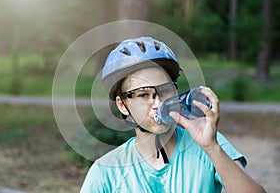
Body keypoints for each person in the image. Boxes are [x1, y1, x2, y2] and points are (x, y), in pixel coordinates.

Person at [80, 37, 265, 192]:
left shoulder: (208, 145)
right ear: (122, 105)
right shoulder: (105, 173)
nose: (159, 104)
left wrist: (211, 148)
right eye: (144, 95)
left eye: (166, 90)